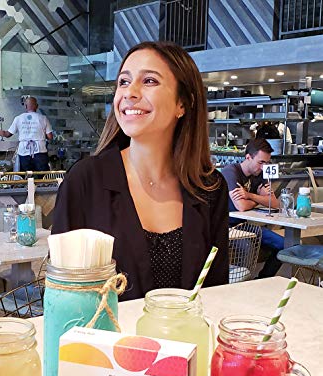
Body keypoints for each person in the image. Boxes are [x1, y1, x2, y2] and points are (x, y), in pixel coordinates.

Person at [52, 41, 229, 301]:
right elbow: (63, 294)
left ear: (183, 103)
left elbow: (216, 293)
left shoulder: (209, 188)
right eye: (124, 82)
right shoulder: (85, 181)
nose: (129, 93)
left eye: (149, 81)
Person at [222, 138, 284, 278]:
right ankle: (242, 285)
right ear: (248, 157)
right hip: (226, 227)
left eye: (267, 163)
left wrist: (250, 195)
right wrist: (260, 198)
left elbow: (274, 203)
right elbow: (241, 206)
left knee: (284, 245)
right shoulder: (231, 171)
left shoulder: (260, 174)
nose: (263, 167)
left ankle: (263, 279)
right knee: (248, 247)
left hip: (244, 225)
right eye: (260, 162)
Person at [0, 96, 53, 171]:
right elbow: (50, 136)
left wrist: (1, 133)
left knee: (25, 175)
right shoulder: (43, 118)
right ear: (37, 106)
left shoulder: (18, 118)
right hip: (40, 150)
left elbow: (8, 134)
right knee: (42, 175)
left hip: (23, 152)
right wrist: (40, 135)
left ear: (25, 106)